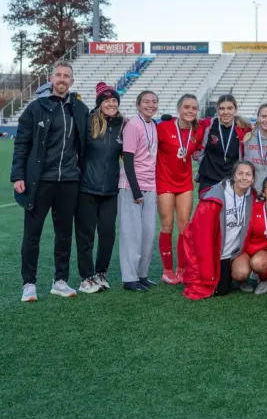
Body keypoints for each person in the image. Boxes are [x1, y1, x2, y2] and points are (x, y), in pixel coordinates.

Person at [12, 61, 89, 302]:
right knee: (32, 234)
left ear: (72, 82)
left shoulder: (80, 109)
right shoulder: (36, 108)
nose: (62, 79)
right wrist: (18, 175)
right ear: (50, 78)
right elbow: (22, 143)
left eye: (67, 76)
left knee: (64, 234)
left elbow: (90, 137)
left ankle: (60, 281)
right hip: (40, 181)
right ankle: (29, 284)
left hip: (69, 181)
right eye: (58, 75)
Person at [74, 82, 124, 294]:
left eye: (114, 100)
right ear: (99, 104)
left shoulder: (123, 125)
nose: (111, 104)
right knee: (85, 235)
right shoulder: (88, 123)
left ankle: (100, 273)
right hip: (86, 188)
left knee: (107, 233)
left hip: (111, 191)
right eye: (106, 101)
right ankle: (86, 277)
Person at [182, 161, 258, 299]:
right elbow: (200, 236)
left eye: (248, 174)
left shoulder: (251, 197)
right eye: (240, 173)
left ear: (253, 179)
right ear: (233, 176)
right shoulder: (215, 197)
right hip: (215, 253)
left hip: (233, 254)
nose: (244, 178)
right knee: (220, 290)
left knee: (236, 276)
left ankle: (233, 273)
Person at [156, 94, 202, 285]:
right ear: (179, 108)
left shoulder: (197, 130)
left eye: (193, 108)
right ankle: (167, 270)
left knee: (185, 226)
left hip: (185, 183)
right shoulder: (163, 127)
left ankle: (182, 269)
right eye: (186, 107)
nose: (190, 111)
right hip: (165, 181)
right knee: (167, 225)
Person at [118, 91, 159, 291]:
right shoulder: (133, 126)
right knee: (132, 234)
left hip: (150, 186)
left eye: (154, 102)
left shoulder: (154, 124)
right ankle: (129, 278)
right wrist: (136, 190)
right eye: (146, 102)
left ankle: (142, 274)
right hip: (132, 187)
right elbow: (127, 159)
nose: (150, 105)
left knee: (148, 233)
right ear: (138, 104)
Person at [196, 94, 251, 193]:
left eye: (230, 108)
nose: (226, 112)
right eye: (222, 108)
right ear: (217, 110)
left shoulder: (244, 129)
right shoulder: (208, 125)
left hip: (233, 181)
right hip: (208, 181)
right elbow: (189, 123)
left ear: (235, 109)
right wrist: (171, 120)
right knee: (207, 208)